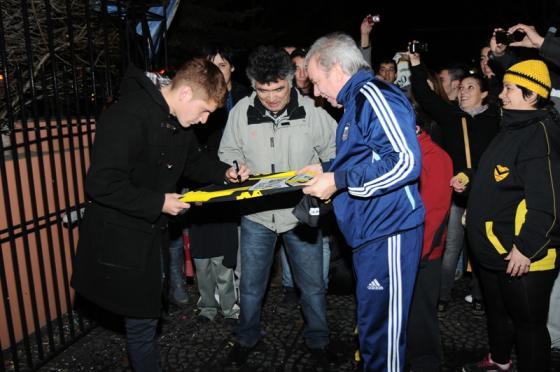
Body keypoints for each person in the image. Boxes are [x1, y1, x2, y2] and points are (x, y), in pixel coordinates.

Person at [71, 59, 250, 372]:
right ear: (184, 94)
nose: (205, 119)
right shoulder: (128, 115)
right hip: (123, 239)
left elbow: (193, 162)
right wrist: (158, 202)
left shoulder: (176, 120)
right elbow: (101, 183)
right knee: (142, 323)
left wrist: (226, 173)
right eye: (204, 110)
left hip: (152, 235)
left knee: (145, 318)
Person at [304, 33, 424, 372]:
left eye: (316, 81)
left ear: (337, 68)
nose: (316, 93)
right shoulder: (357, 100)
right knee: (373, 331)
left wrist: (338, 180)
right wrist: (327, 169)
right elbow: (366, 157)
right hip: (371, 232)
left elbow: (404, 161)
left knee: (382, 336)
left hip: (389, 230)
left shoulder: (373, 95)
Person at [218, 45, 337, 367]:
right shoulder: (240, 112)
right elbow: (227, 151)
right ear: (253, 85)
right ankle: (246, 337)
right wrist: (232, 167)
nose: (270, 97)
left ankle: (319, 341)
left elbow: (337, 152)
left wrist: (325, 171)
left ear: (291, 80)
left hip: (300, 215)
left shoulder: (313, 112)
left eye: (278, 89)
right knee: (251, 287)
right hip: (256, 215)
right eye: (262, 90)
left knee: (311, 287)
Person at [459, 59, 559, 372]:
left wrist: (527, 247)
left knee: (529, 327)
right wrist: (470, 177)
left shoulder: (540, 134)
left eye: (509, 89)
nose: (501, 95)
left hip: (523, 254)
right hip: (496, 249)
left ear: (531, 95)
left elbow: (550, 202)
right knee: (497, 313)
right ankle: (500, 361)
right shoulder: (513, 126)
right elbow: (502, 173)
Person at [409, 51, 501, 316]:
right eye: (460, 88)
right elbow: (425, 97)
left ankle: (481, 295)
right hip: (456, 193)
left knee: (480, 249)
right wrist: (416, 65)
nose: (462, 92)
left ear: (484, 94)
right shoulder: (452, 116)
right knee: (450, 248)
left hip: (485, 195)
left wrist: (492, 67)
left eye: (470, 87)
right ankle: (442, 295)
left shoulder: (495, 118)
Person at [187, 45, 250, 323]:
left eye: (222, 65)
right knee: (204, 245)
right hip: (205, 176)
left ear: (231, 68)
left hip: (235, 178)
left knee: (231, 244)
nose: (217, 70)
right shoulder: (198, 102)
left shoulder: (243, 99)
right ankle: (207, 302)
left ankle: (233, 300)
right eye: (211, 64)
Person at [406, 114, 453, 372]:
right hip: (405, 251)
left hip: (423, 255)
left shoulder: (435, 157)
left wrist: (416, 256)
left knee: (421, 315)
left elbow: (434, 215)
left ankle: (427, 365)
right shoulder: (404, 151)